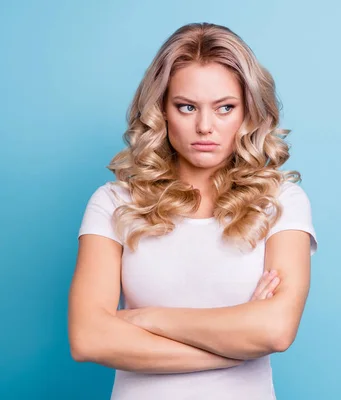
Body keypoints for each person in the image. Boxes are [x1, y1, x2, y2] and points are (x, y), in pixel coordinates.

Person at [67, 22, 318, 400]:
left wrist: (146, 318)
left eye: (225, 108)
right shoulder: (114, 202)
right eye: (186, 107)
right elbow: (88, 338)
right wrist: (234, 346)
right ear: (161, 110)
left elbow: (276, 330)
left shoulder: (280, 201)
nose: (205, 127)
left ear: (248, 112)